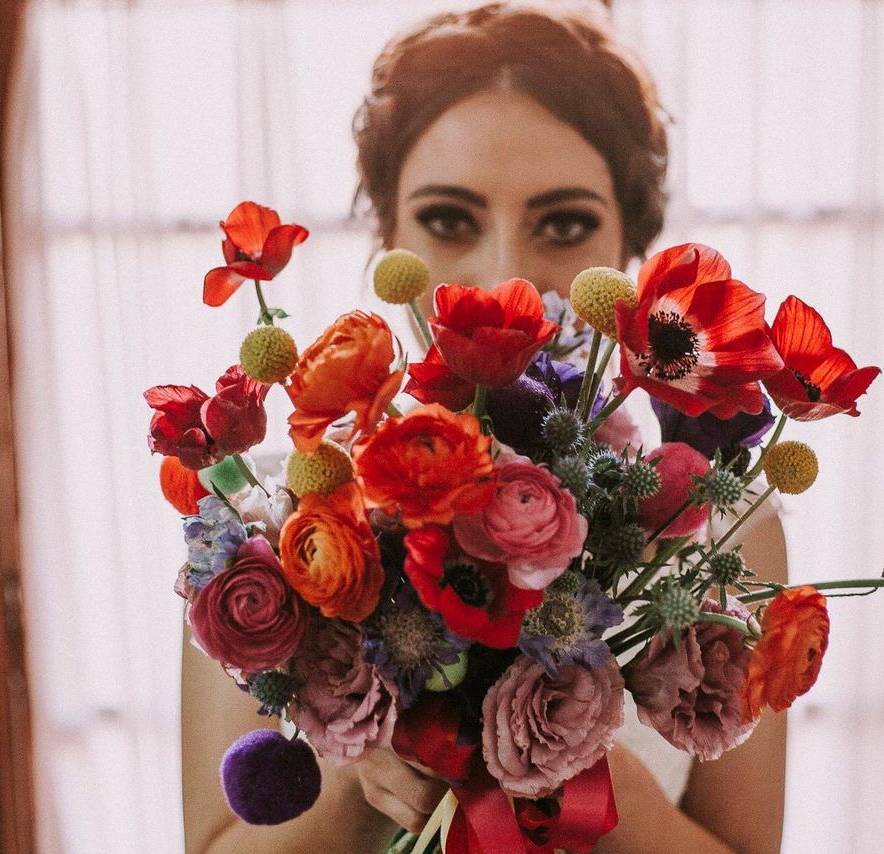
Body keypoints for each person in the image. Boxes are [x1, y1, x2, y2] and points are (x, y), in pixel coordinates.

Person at [183, 3, 788, 852]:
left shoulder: (728, 529)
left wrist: (583, 770)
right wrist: (367, 765)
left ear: (634, 252)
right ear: (388, 239)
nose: (505, 274)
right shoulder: (280, 521)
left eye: (565, 225)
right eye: (450, 221)